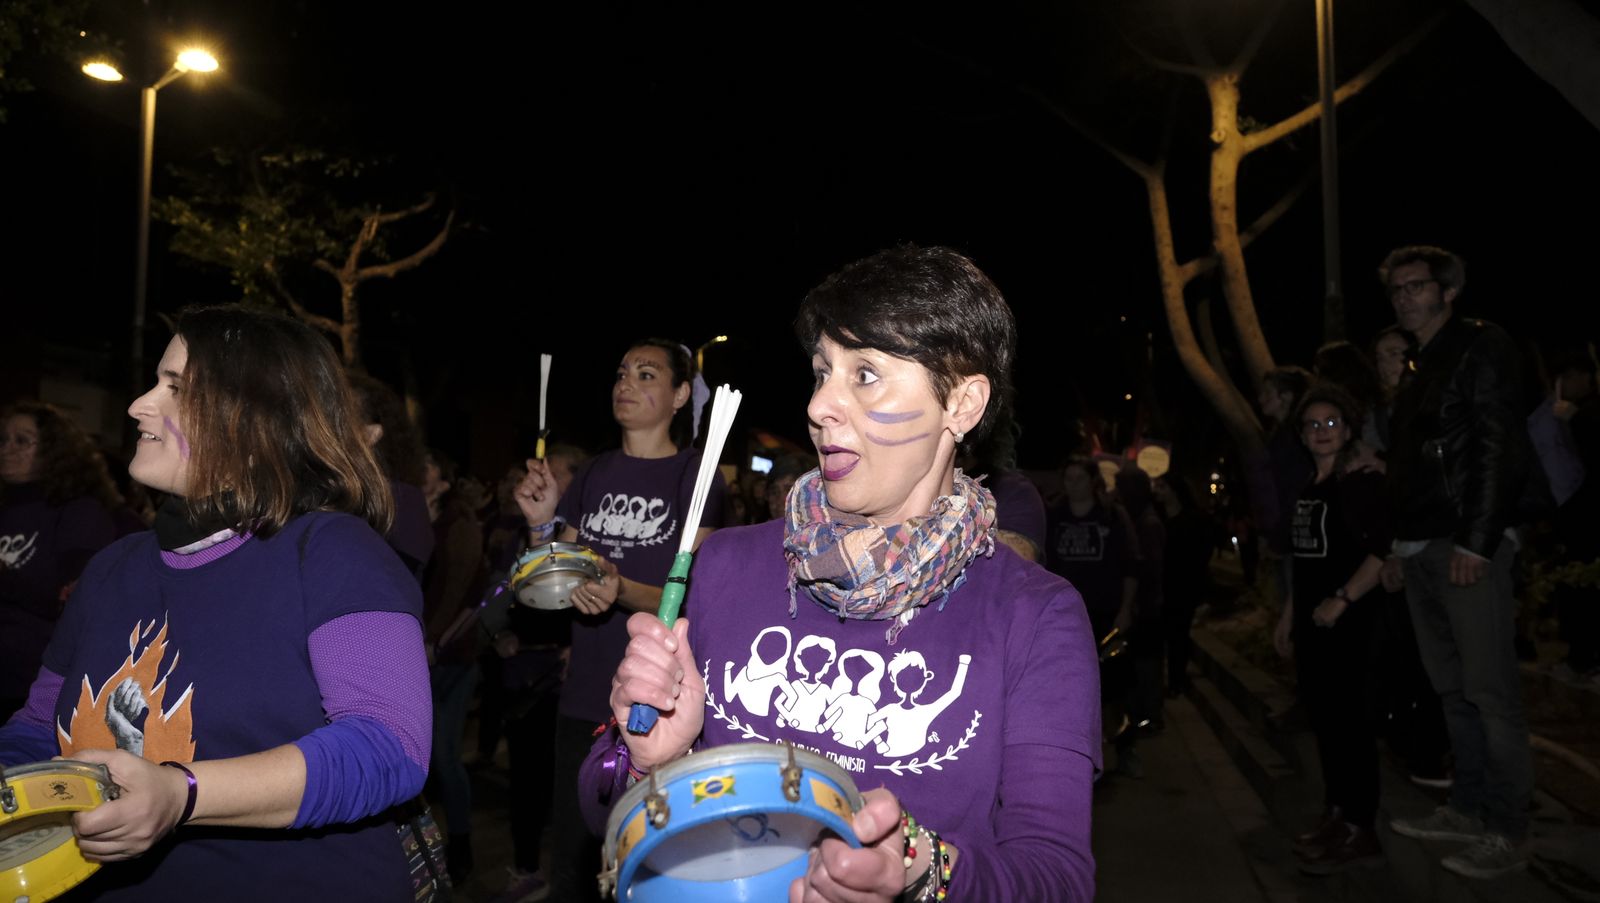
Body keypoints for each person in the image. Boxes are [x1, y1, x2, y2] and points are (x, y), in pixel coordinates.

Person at [586, 246, 1099, 901]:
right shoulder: (726, 564)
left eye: (865, 373)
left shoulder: (1035, 614)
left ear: (963, 403)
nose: (822, 403)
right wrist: (656, 764)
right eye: (822, 370)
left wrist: (918, 865)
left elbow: (1057, 879)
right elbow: (599, 812)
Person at [0, 306, 431, 899]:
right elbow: (36, 731)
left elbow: (390, 746)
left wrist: (182, 794)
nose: (138, 405)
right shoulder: (111, 568)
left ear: (252, 420)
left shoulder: (333, 552)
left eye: (174, 387)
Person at [510, 339, 726, 902]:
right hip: (583, 694)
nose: (625, 384)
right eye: (622, 372)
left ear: (680, 394)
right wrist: (541, 525)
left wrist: (621, 590)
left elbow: (695, 599)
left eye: (646, 374)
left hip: (655, 706)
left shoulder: (696, 478)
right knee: (573, 870)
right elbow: (559, 580)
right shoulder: (596, 471)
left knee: (639, 868)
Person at [1378, 246, 1535, 879]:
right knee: (1453, 691)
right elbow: (1412, 467)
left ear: (1449, 290)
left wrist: (1479, 539)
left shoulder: (1479, 346)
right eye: (1396, 290)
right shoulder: (1419, 363)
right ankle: (1468, 809)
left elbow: (1500, 444)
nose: (1405, 298)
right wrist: (1397, 545)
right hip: (1423, 547)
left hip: (1464, 546)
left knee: (1491, 693)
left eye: (1416, 286)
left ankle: (1508, 831)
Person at [1273, 385, 1392, 874]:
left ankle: (1360, 828)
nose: (1321, 432)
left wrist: (1341, 601)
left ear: (1348, 429)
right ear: (1302, 435)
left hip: (1351, 627)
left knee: (1352, 728)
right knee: (1326, 725)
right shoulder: (1308, 486)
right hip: (1313, 626)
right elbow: (1304, 564)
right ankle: (1336, 814)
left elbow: (1382, 548)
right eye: (1312, 425)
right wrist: (1287, 617)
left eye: (1331, 423)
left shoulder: (1359, 481)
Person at [0, 401, 120, 722]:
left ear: (55, 451)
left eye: (22, 441)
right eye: (4, 439)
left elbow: (72, 602)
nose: (7, 449)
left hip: (29, 682)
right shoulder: (7, 507)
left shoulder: (79, 513)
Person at [1047, 454, 1141, 774]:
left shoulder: (1112, 517)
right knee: (1069, 689)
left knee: (1115, 687)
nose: (1073, 485)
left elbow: (1131, 566)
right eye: (1068, 478)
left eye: (1080, 478)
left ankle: (1126, 751)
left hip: (1105, 615)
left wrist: (1126, 609)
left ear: (1093, 481)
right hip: (1064, 618)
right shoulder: (1054, 517)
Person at [419, 449, 487, 885]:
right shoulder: (406, 517)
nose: (417, 469)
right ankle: (422, 848)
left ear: (443, 482)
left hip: (450, 657)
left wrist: (430, 640)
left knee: (444, 754)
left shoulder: (459, 526)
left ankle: (460, 845)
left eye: (428, 465)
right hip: (415, 652)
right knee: (416, 756)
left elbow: (457, 592)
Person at [350, 372, 435, 578]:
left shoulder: (405, 501)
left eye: (340, 417)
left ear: (372, 434)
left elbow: (389, 586)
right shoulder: (328, 491)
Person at [1152, 473, 1213, 697]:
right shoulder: (1156, 517)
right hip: (1161, 584)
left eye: (1162, 486)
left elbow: (1201, 554)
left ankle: (1177, 679)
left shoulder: (1193, 519)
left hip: (1183, 585)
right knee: (1163, 634)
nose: (1157, 491)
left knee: (1179, 634)